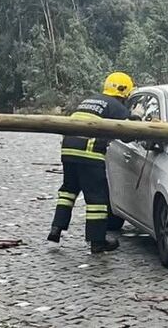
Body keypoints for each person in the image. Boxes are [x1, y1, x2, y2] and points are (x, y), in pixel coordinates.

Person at [48, 71, 135, 253]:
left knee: (68, 190)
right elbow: (129, 135)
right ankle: (97, 241)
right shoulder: (116, 106)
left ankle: (56, 228)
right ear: (124, 93)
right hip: (89, 153)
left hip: (68, 150)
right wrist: (137, 120)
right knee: (97, 198)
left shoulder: (90, 101)